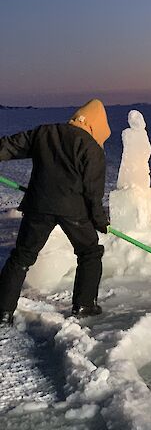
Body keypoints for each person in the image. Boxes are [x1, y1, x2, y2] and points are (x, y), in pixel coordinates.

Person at [0, 99, 111, 325]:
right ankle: (84, 305)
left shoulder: (45, 132)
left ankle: (2, 311)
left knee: (22, 257)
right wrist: (99, 221)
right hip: (75, 212)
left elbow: (10, 146)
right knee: (90, 253)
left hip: (38, 206)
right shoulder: (91, 148)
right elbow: (93, 193)